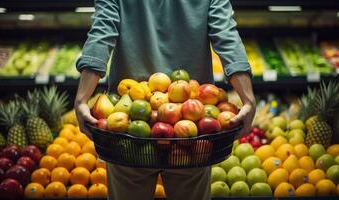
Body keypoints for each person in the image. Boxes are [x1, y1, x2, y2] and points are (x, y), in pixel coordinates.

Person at [74, 0, 256, 199]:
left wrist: (82, 98)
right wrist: (248, 98)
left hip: (129, 124)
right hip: (191, 125)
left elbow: (101, 33)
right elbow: (227, 37)